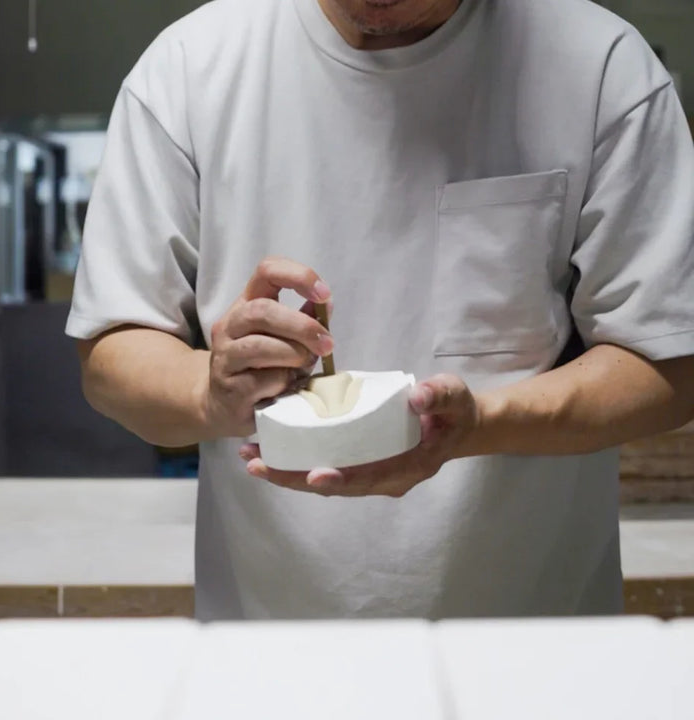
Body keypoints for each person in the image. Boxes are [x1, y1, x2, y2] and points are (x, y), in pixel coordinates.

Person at [67, 0, 694, 620]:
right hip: (267, 642)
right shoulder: (188, 70)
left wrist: (481, 425)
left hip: (529, 640)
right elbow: (114, 348)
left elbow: (668, 363)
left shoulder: (603, 69)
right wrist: (210, 393)